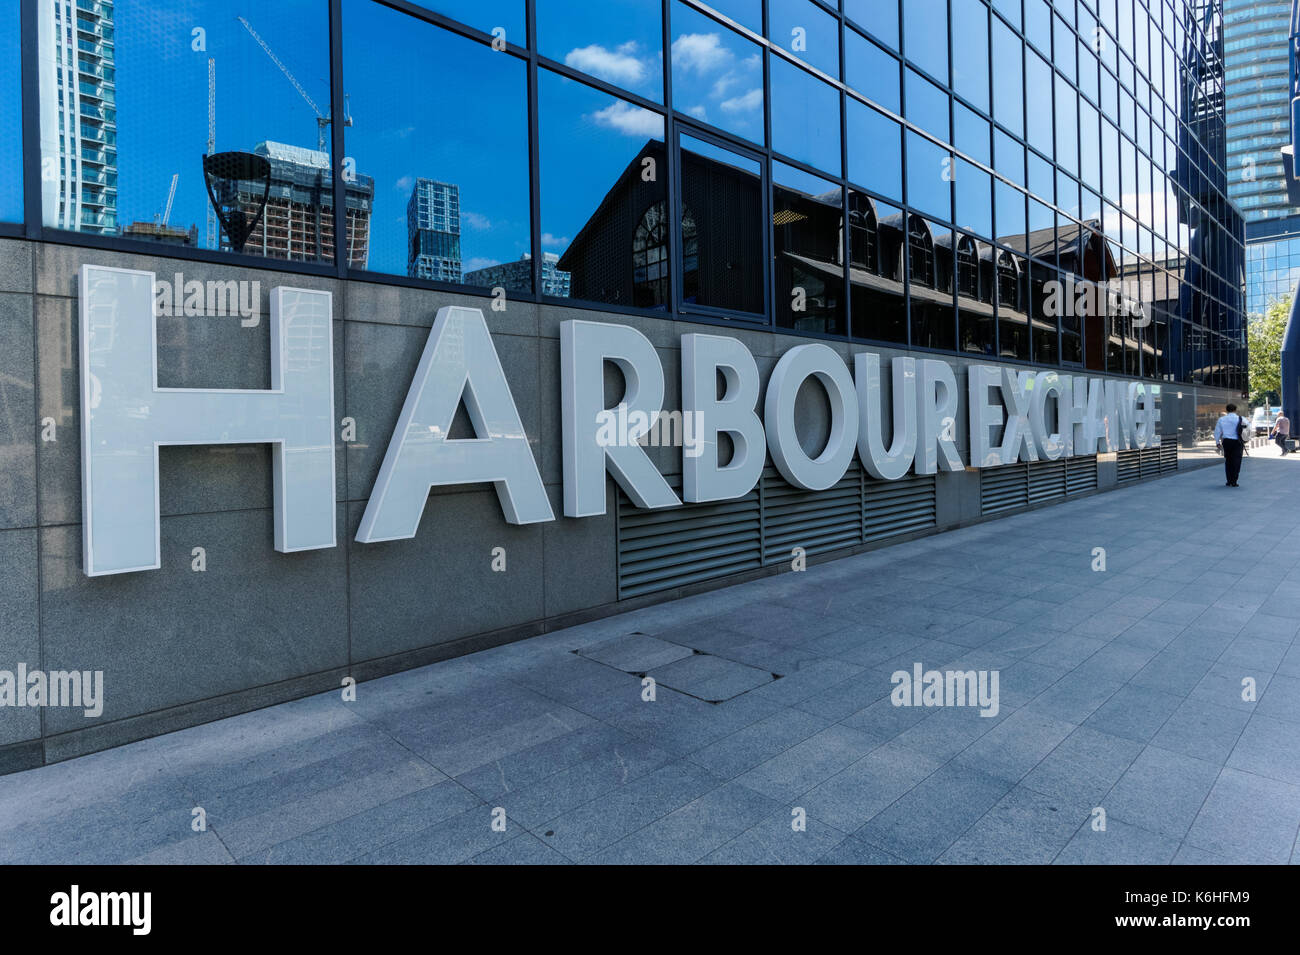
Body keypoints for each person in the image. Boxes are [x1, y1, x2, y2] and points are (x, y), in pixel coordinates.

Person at [1214, 403, 1248, 486]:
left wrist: (1217, 442)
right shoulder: (1241, 419)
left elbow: (1217, 431)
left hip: (1227, 442)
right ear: (1235, 410)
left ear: (1227, 410)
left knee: (1228, 461)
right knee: (1237, 461)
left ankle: (1229, 480)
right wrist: (1246, 439)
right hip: (1238, 442)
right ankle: (1234, 481)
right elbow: (1248, 429)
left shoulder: (1221, 419)